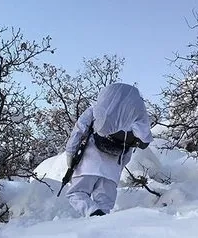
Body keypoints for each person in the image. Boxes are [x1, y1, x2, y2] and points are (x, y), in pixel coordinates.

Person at [64, 82, 153, 217]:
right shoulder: (134, 119)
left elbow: (78, 131)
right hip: (112, 171)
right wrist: (118, 168)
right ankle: (101, 229)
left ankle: (92, 213)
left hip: (88, 164)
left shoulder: (96, 109)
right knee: (105, 208)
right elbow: (137, 144)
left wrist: (70, 155)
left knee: (76, 193)